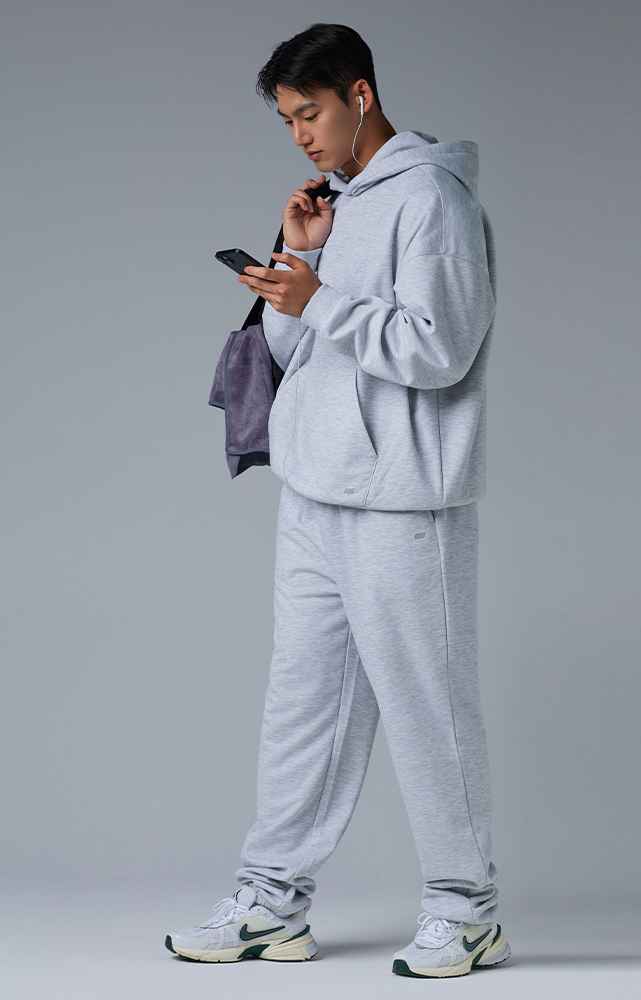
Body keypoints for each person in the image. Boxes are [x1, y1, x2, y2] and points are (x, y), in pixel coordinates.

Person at [166, 23, 507, 979]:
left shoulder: (433, 199)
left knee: (428, 703)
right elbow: (305, 353)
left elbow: (442, 349)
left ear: (361, 95)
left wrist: (318, 298)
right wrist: (294, 269)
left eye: (309, 113)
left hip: (403, 499)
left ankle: (468, 911)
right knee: (302, 702)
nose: (300, 135)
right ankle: (272, 902)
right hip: (315, 487)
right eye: (286, 120)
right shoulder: (338, 206)